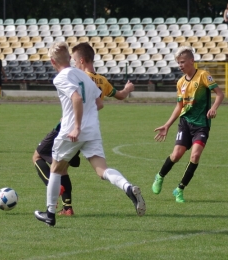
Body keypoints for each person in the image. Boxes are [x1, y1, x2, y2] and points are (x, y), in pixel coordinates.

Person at [34, 42, 145, 226]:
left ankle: (50, 214)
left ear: (53, 61)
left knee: (56, 168)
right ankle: (127, 187)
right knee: (102, 170)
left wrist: (77, 127)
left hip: (73, 130)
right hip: (92, 129)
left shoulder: (61, 77)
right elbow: (98, 103)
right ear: (69, 58)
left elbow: (76, 98)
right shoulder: (85, 77)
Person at [151, 46, 224, 203]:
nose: (180, 65)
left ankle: (179, 189)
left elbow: (220, 94)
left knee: (195, 155)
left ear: (192, 61)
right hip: (185, 123)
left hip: (201, 125)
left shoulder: (204, 76)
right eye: (178, 63)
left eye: (182, 62)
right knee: (176, 155)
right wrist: (167, 125)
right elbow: (179, 106)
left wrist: (213, 107)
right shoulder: (180, 83)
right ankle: (160, 176)